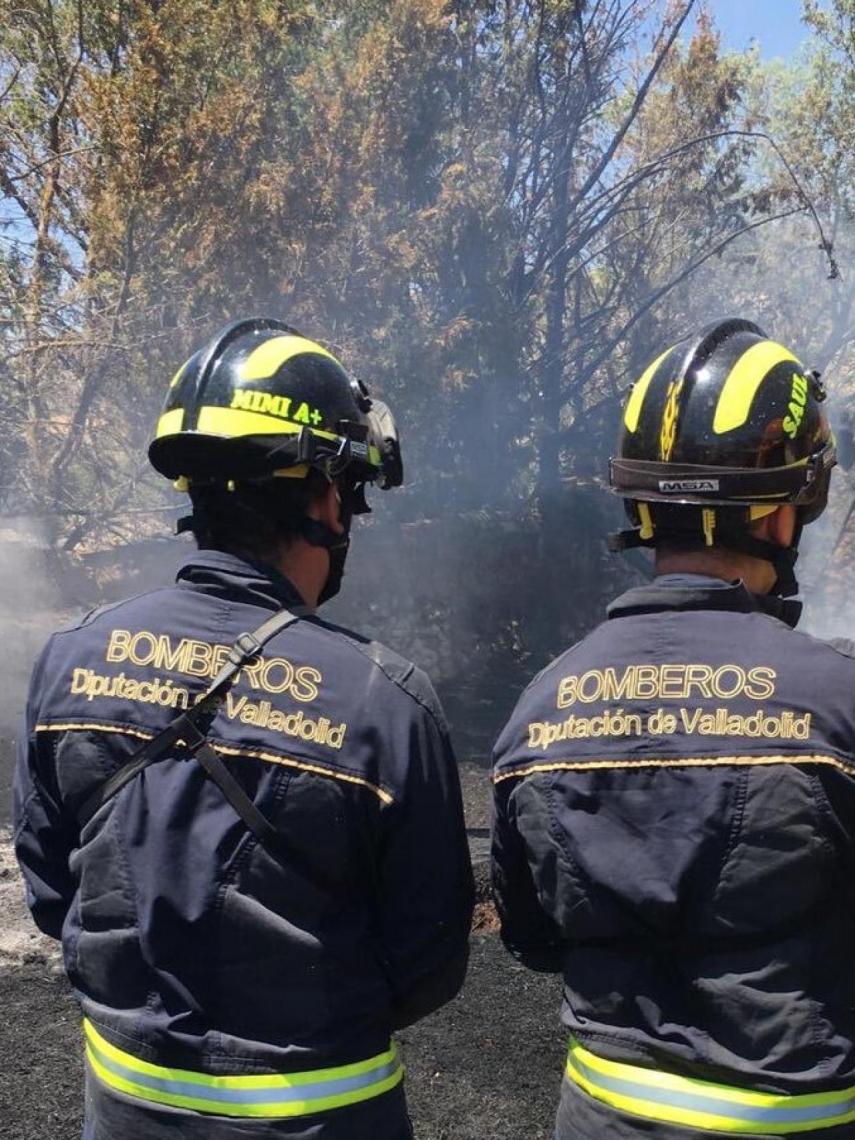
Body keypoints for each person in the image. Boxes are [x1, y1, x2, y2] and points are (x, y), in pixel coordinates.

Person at [14, 317, 474, 1140]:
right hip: (324, 1115)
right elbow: (427, 959)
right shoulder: (382, 700)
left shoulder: (71, 656)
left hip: (124, 1106)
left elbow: (53, 892)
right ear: (327, 499)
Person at [490, 316, 855, 1139]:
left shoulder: (541, 704)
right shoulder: (837, 703)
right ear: (785, 513)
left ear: (641, 503)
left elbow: (533, 937)